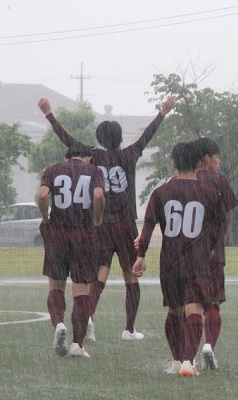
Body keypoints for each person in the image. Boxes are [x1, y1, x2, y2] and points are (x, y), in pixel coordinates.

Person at [37, 96, 177, 341]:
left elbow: (67, 140)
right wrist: (162, 113)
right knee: (130, 276)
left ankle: (88, 318)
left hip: (99, 224)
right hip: (124, 224)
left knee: (98, 275)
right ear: (120, 138)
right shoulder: (129, 154)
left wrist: (50, 115)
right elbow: (148, 136)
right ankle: (129, 329)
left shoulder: (92, 157)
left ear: (99, 138)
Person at [132, 142, 224, 377]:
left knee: (174, 311)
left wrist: (141, 255)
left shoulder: (161, 193)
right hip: (197, 261)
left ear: (173, 163)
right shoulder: (212, 195)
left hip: (170, 261)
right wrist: (209, 249)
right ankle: (187, 361)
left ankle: (176, 360)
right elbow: (216, 233)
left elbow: (148, 226)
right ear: (199, 163)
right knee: (194, 310)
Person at [38, 142, 105, 358]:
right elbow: (98, 196)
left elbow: (42, 195)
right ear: (87, 158)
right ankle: (77, 344)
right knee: (82, 291)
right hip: (83, 235)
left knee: (56, 286)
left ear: (67, 157)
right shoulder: (93, 171)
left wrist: (45, 218)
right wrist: (97, 221)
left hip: (58, 233)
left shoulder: (53, 169)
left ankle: (58, 324)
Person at [192, 137, 238, 370]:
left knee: (189, 304)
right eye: (217, 157)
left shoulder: (185, 180)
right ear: (206, 159)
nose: (219, 162)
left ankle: (184, 355)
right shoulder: (220, 181)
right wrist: (222, 236)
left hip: (189, 253)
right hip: (213, 252)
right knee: (213, 303)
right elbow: (228, 213)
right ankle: (209, 345)